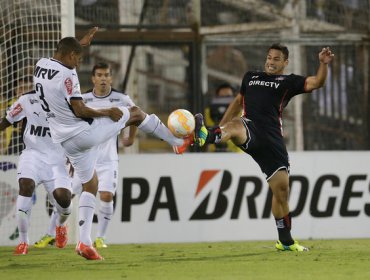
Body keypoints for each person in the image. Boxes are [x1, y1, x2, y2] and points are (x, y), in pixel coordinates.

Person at [34, 29, 190, 260]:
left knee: (91, 185)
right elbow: (80, 109)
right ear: (69, 56)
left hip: (64, 140)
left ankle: (84, 243)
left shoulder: (41, 64)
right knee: (135, 113)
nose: (78, 63)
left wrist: (80, 43)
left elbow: (65, 49)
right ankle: (177, 142)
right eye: (77, 58)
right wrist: (108, 111)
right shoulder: (68, 75)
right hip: (82, 133)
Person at [193, 43, 334, 252]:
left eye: (277, 59)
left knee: (281, 191)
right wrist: (218, 127)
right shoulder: (251, 77)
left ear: (285, 62)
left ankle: (285, 241)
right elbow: (238, 102)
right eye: (269, 57)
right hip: (249, 128)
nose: (271, 61)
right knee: (235, 125)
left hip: (271, 140)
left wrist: (323, 64)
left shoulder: (288, 82)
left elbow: (317, 82)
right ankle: (207, 135)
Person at [35, 62, 138, 249]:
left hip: (108, 160)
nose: (103, 78)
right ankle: (51, 233)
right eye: (99, 75)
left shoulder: (121, 99)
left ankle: (102, 238)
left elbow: (136, 115)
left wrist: (129, 137)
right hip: (84, 158)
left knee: (106, 196)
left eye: (106, 75)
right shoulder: (82, 100)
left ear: (111, 78)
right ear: (93, 78)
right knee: (67, 195)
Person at [0, 89, 73, 255]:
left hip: (58, 159)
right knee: (26, 185)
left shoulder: (69, 102)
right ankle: (23, 242)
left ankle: (61, 226)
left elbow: (77, 132)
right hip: (32, 154)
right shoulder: (26, 99)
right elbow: (7, 120)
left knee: (63, 198)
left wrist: (76, 157)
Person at [204, 83, 240, 152]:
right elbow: (210, 127)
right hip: (214, 151)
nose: (225, 100)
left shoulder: (240, 110)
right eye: (222, 97)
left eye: (228, 97)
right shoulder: (209, 110)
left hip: (237, 151)